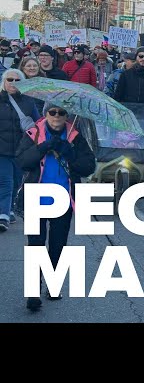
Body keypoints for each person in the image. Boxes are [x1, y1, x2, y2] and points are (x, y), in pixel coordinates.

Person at [16, 102, 96, 311]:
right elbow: (22, 161)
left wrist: (69, 153)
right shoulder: (33, 132)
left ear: (67, 116)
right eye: (53, 112)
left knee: (58, 245)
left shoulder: (75, 136)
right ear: (46, 114)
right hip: (36, 198)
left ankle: (53, 284)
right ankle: (33, 292)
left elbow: (89, 166)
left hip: (63, 199)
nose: (57, 116)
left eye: (62, 113)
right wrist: (43, 147)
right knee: (36, 246)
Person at [0, 69, 40, 231]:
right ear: (3, 81)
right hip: (1, 149)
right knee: (6, 182)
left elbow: (38, 124)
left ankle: (8, 209)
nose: (13, 83)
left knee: (17, 181)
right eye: (10, 79)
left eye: (17, 80)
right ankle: (2, 215)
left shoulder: (28, 101)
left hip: (20, 149)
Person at [114, 47, 144, 111]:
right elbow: (118, 95)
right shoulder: (125, 74)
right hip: (127, 112)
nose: (143, 59)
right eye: (141, 56)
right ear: (136, 57)